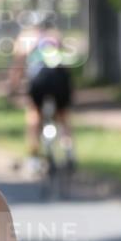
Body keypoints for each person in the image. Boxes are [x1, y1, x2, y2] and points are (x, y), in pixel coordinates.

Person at [10, 17, 75, 174]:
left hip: (39, 78)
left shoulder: (25, 37)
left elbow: (18, 65)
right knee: (63, 116)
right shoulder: (56, 35)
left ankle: (33, 159)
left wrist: (13, 87)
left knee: (34, 115)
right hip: (60, 77)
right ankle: (69, 152)